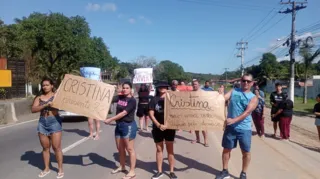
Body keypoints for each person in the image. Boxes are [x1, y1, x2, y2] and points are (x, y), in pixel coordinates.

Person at [215, 73, 258, 179]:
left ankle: (243, 173)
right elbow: (222, 99)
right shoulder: (234, 91)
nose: (245, 83)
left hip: (244, 129)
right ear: (241, 82)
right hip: (231, 128)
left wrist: (233, 120)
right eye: (244, 80)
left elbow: (247, 113)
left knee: (246, 152)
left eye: (248, 81)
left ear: (252, 83)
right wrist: (219, 94)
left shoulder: (253, 98)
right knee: (226, 149)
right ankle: (225, 171)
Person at [31, 77, 64, 179]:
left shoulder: (56, 96)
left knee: (56, 147)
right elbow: (33, 109)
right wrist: (45, 105)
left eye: (47, 85)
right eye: (43, 85)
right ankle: (46, 168)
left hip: (54, 121)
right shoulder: (39, 98)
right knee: (45, 148)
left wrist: (55, 103)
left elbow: (62, 106)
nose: (45, 87)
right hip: (42, 122)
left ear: (52, 86)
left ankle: (60, 169)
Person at [104, 82, 137, 179]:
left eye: (127, 88)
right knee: (120, 148)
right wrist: (113, 90)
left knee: (130, 149)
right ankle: (122, 166)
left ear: (131, 89)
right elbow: (108, 99)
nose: (125, 89)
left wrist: (110, 119)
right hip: (119, 126)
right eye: (123, 88)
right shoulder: (119, 97)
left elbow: (124, 113)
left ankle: (132, 171)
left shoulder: (132, 101)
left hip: (128, 126)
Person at [149, 81, 178, 179]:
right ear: (157, 88)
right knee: (159, 149)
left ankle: (171, 171)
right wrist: (158, 124)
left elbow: (178, 112)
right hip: (157, 128)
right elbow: (151, 114)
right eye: (160, 87)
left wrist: (169, 124)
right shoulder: (154, 99)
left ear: (167, 87)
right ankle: (159, 171)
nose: (162, 88)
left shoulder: (173, 98)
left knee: (170, 150)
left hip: (170, 128)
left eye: (164, 86)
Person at [190, 79, 209, 147]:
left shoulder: (203, 92)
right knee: (196, 127)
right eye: (193, 84)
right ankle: (197, 139)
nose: (194, 85)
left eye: (196, 84)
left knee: (203, 128)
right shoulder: (190, 93)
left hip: (202, 112)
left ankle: (206, 141)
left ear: (199, 85)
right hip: (194, 112)